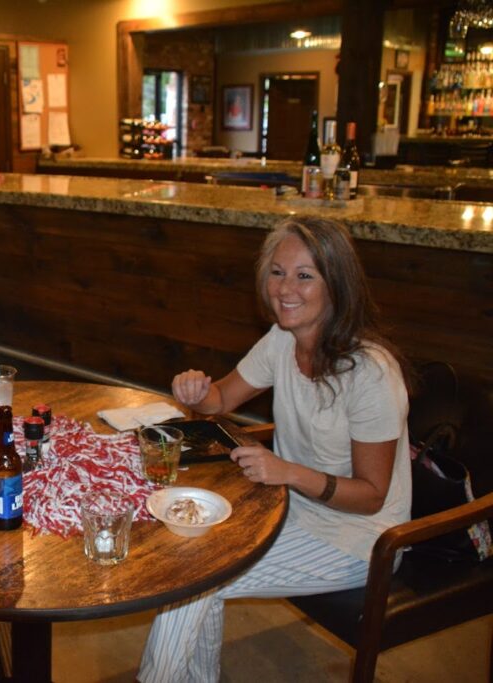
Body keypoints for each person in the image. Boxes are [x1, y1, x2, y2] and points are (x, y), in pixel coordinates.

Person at [137, 217, 411, 683]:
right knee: (193, 567)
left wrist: (288, 472)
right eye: (277, 272)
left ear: (337, 285)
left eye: (305, 275)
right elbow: (220, 400)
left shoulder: (371, 374)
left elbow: (371, 497)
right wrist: (195, 391)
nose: (287, 288)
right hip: (288, 510)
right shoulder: (283, 340)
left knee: (197, 582)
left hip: (360, 539)